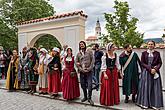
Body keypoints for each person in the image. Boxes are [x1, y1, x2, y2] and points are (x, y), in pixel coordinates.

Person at [136, 41, 164, 109]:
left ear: (154, 45)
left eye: (151, 44)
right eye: (149, 44)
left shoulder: (157, 53)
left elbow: (160, 63)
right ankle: (145, 103)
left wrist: (155, 69)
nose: (150, 45)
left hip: (155, 72)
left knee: (155, 88)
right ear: (147, 45)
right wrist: (150, 69)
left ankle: (154, 104)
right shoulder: (144, 53)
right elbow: (142, 63)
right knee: (146, 87)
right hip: (146, 72)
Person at [76, 41, 94, 105]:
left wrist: (89, 68)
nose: (81, 45)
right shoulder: (78, 54)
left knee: (90, 85)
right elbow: (76, 62)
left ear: (84, 44)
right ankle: (85, 97)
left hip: (89, 71)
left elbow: (92, 60)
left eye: (82, 44)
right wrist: (81, 69)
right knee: (83, 85)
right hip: (82, 72)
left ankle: (89, 98)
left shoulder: (89, 52)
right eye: (80, 44)